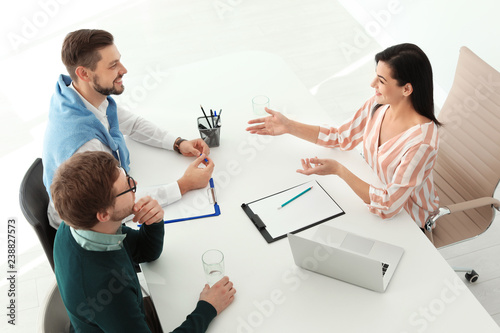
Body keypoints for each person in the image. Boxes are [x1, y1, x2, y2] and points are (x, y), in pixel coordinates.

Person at [246, 43, 441, 229]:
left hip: (408, 220)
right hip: (374, 190)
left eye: (381, 81)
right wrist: (289, 126)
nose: (372, 84)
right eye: (376, 76)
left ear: (406, 89)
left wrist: (340, 170)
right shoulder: (379, 104)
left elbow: (389, 205)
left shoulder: (421, 143)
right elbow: (341, 137)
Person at [43, 29, 214, 228]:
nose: (123, 70)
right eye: (113, 65)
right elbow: (115, 204)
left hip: (107, 194)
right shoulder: (85, 146)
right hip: (88, 222)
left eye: (119, 61)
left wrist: (177, 143)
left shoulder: (78, 95)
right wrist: (184, 185)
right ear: (84, 73)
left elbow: (131, 124)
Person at [51, 151, 236, 332]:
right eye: (127, 187)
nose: (135, 184)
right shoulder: (108, 290)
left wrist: (153, 222)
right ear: (104, 214)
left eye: (127, 177)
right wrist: (208, 307)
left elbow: (145, 252)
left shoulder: (79, 226)